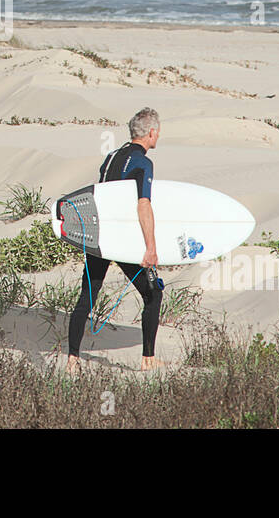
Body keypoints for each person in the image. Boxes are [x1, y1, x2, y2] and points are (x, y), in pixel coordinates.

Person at [65, 107, 165, 373]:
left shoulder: (111, 157)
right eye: (159, 132)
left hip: (99, 237)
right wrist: (150, 248)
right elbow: (143, 204)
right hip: (121, 242)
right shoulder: (144, 163)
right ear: (151, 132)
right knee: (153, 293)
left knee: (87, 296)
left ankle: (72, 360)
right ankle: (148, 359)